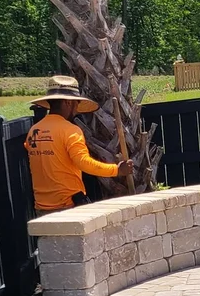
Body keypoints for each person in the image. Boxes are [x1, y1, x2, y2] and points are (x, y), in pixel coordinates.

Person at [24, 75, 134, 214]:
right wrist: (117, 170)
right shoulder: (70, 130)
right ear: (67, 103)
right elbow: (84, 163)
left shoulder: (34, 130)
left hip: (41, 207)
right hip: (67, 206)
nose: (77, 109)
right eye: (76, 103)